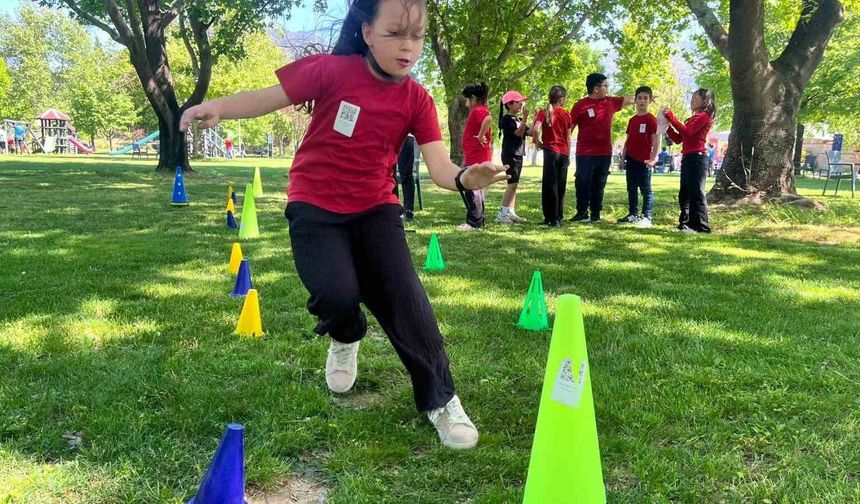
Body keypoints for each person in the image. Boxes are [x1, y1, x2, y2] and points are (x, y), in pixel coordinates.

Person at [180, 0, 508, 450]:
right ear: (368, 32)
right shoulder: (330, 71)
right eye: (395, 33)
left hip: (376, 209)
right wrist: (217, 106)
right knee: (335, 295)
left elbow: (440, 169)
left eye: (416, 36)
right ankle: (346, 333)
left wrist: (467, 178)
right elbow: (267, 97)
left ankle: (442, 401)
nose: (408, 47)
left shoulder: (417, 98)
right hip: (314, 205)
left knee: (407, 302)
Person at [569, 73, 635, 223]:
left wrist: (648, 96)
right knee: (583, 182)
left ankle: (595, 213)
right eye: (605, 85)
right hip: (584, 153)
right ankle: (581, 212)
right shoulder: (580, 105)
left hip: (604, 152)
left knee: (599, 184)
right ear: (596, 88)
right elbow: (570, 128)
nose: (608, 88)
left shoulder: (610, 102)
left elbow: (631, 99)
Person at [662, 88, 716, 233]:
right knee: (684, 194)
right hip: (688, 158)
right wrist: (667, 127)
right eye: (692, 98)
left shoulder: (704, 117)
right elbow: (679, 139)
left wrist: (671, 117)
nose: (692, 101)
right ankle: (685, 224)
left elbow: (687, 132)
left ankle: (701, 226)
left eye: (696, 98)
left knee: (696, 193)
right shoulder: (692, 119)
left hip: (697, 158)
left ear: (705, 101)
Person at [617, 86, 659, 228]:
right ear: (635, 100)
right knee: (631, 188)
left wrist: (653, 158)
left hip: (645, 160)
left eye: (645, 98)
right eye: (639, 98)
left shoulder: (651, 119)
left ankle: (647, 216)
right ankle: (633, 214)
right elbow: (628, 140)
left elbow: (656, 140)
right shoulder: (632, 120)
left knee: (646, 189)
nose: (642, 101)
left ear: (650, 100)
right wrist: (622, 158)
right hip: (631, 158)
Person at [532, 86, 572, 227]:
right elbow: (568, 137)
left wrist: (537, 142)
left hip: (550, 151)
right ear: (561, 100)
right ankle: (558, 217)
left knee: (550, 185)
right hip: (563, 152)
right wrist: (568, 154)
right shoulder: (566, 114)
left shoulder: (543, 112)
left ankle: (550, 217)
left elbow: (535, 129)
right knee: (560, 185)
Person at [459, 82, 492, 231]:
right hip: (476, 155)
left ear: (473, 98)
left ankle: (474, 223)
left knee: (472, 186)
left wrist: (480, 135)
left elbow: (488, 119)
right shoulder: (481, 109)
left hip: (476, 155)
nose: (466, 103)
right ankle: (478, 221)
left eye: (467, 99)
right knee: (477, 187)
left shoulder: (478, 110)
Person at [496, 90, 530, 223]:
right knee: (511, 184)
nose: (521, 104)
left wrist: (539, 118)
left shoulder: (518, 119)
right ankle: (502, 214)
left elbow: (530, 132)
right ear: (509, 105)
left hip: (518, 154)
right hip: (510, 154)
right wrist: (525, 119)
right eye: (518, 102)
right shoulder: (507, 120)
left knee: (514, 184)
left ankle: (510, 212)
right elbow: (518, 133)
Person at [395, 134, 417, 221]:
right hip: (387, 134)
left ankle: (408, 210)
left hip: (406, 135)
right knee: (388, 174)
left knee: (406, 174)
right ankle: (393, 208)